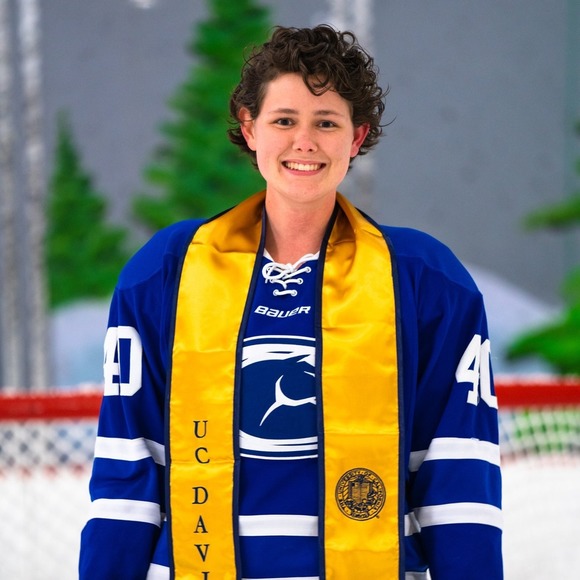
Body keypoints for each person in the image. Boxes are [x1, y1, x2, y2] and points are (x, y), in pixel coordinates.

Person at [79, 25, 503, 579]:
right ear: (249, 127)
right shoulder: (167, 272)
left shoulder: (425, 280)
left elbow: (458, 478)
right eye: (284, 120)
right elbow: (128, 470)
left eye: (326, 122)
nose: (304, 141)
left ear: (356, 137)